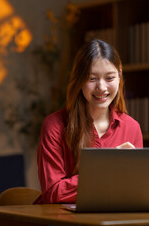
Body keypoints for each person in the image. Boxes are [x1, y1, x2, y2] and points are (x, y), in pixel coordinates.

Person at [35, 39, 143, 204]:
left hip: (114, 220)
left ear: (119, 76)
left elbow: (134, 189)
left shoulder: (131, 127)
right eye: (92, 79)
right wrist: (108, 165)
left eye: (109, 78)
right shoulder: (54, 125)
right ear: (79, 80)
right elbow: (53, 192)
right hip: (63, 222)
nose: (101, 87)